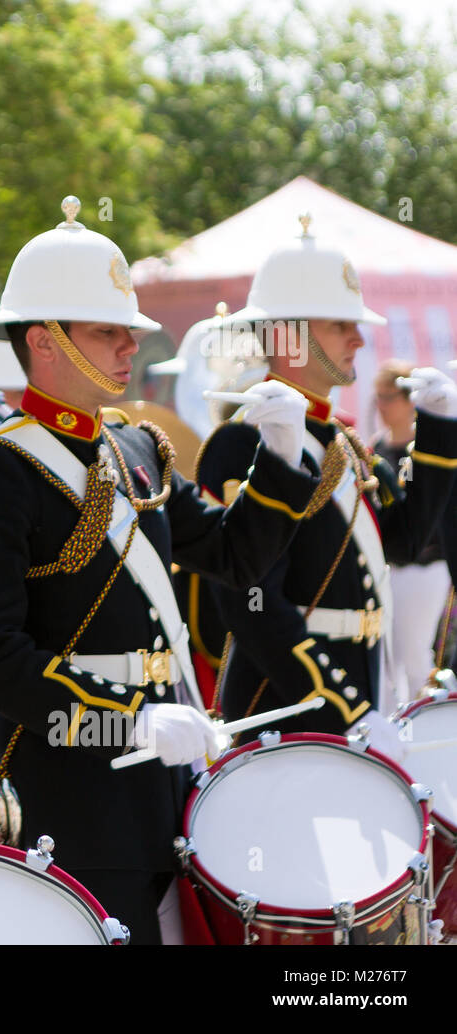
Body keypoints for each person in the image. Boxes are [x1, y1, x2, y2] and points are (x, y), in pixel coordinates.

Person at [0, 196, 318, 942]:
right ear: (44, 342)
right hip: (71, 790)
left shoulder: (136, 450)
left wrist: (279, 459)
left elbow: (234, 556)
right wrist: (127, 720)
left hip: (163, 783)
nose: (128, 348)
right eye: (107, 331)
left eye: (129, 333)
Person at [195, 216, 457, 752]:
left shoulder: (343, 443)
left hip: (362, 684)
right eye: (341, 325)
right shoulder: (241, 444)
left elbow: (403, 542)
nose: (360, 338)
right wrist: (343, 707)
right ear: (290, 334)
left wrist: (438, 434)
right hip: (286, 701)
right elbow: (251, 601)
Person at [371, 359, 452, 704]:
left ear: (409, 401)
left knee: (414, 653)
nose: (382, 406)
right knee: (388, 659)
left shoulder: (428, 447)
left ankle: (434, 722)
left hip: (426, 564)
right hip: (388, 565)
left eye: (389, 397)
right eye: (378, 397)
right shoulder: (375, 448)